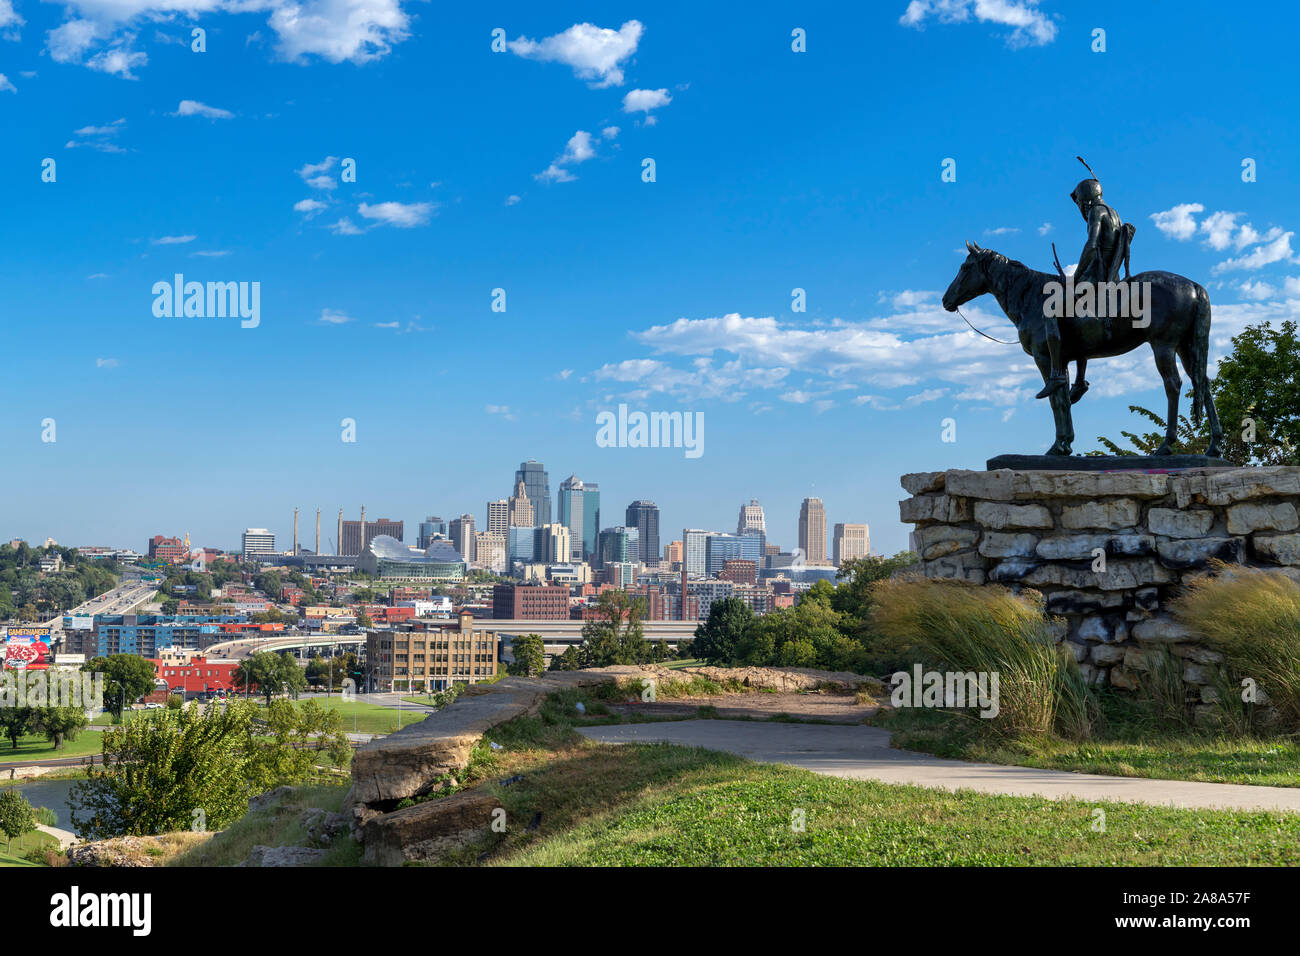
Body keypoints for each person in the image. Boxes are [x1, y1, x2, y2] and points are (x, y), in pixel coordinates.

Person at [1037, 173, 1135, 399]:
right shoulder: (1114, 213)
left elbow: (1091, 246)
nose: (1080, 208)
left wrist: (1076, 275)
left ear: (1087, 199)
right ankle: (1079, 381)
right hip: (1112, 277)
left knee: (1050, 312)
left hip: (1096, 278)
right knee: (1075, 321)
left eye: (1080, 203)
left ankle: (1057, 375)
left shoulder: (1095, 212)